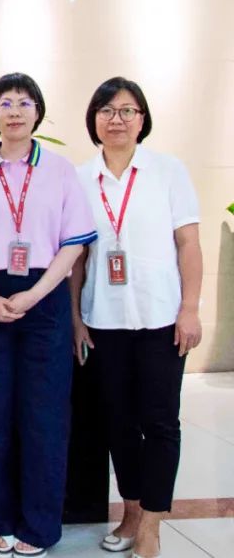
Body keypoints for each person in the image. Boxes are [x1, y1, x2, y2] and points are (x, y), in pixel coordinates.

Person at [0, 73, 96, 558]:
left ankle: (39, 525)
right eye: (5, 103)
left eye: (24, 103)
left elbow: (74, 245)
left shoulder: (60, 170)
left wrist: (35, 294)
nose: (14, 111)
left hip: (45, 299)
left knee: (44, 416)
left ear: (38, 112)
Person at [69, 77, 202, 558]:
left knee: (161, 422)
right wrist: (76, 319)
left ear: (142, 119)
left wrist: (190, 309)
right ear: (94, 120)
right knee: (118, 423)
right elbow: (77, 259)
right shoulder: (80, 179)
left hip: (161, 319)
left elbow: (188, 243)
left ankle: (152, 523)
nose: (117, 119)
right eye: (106, 110)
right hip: (103, 321)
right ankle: (130, 510)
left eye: (128, 110)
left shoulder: (168, 171)